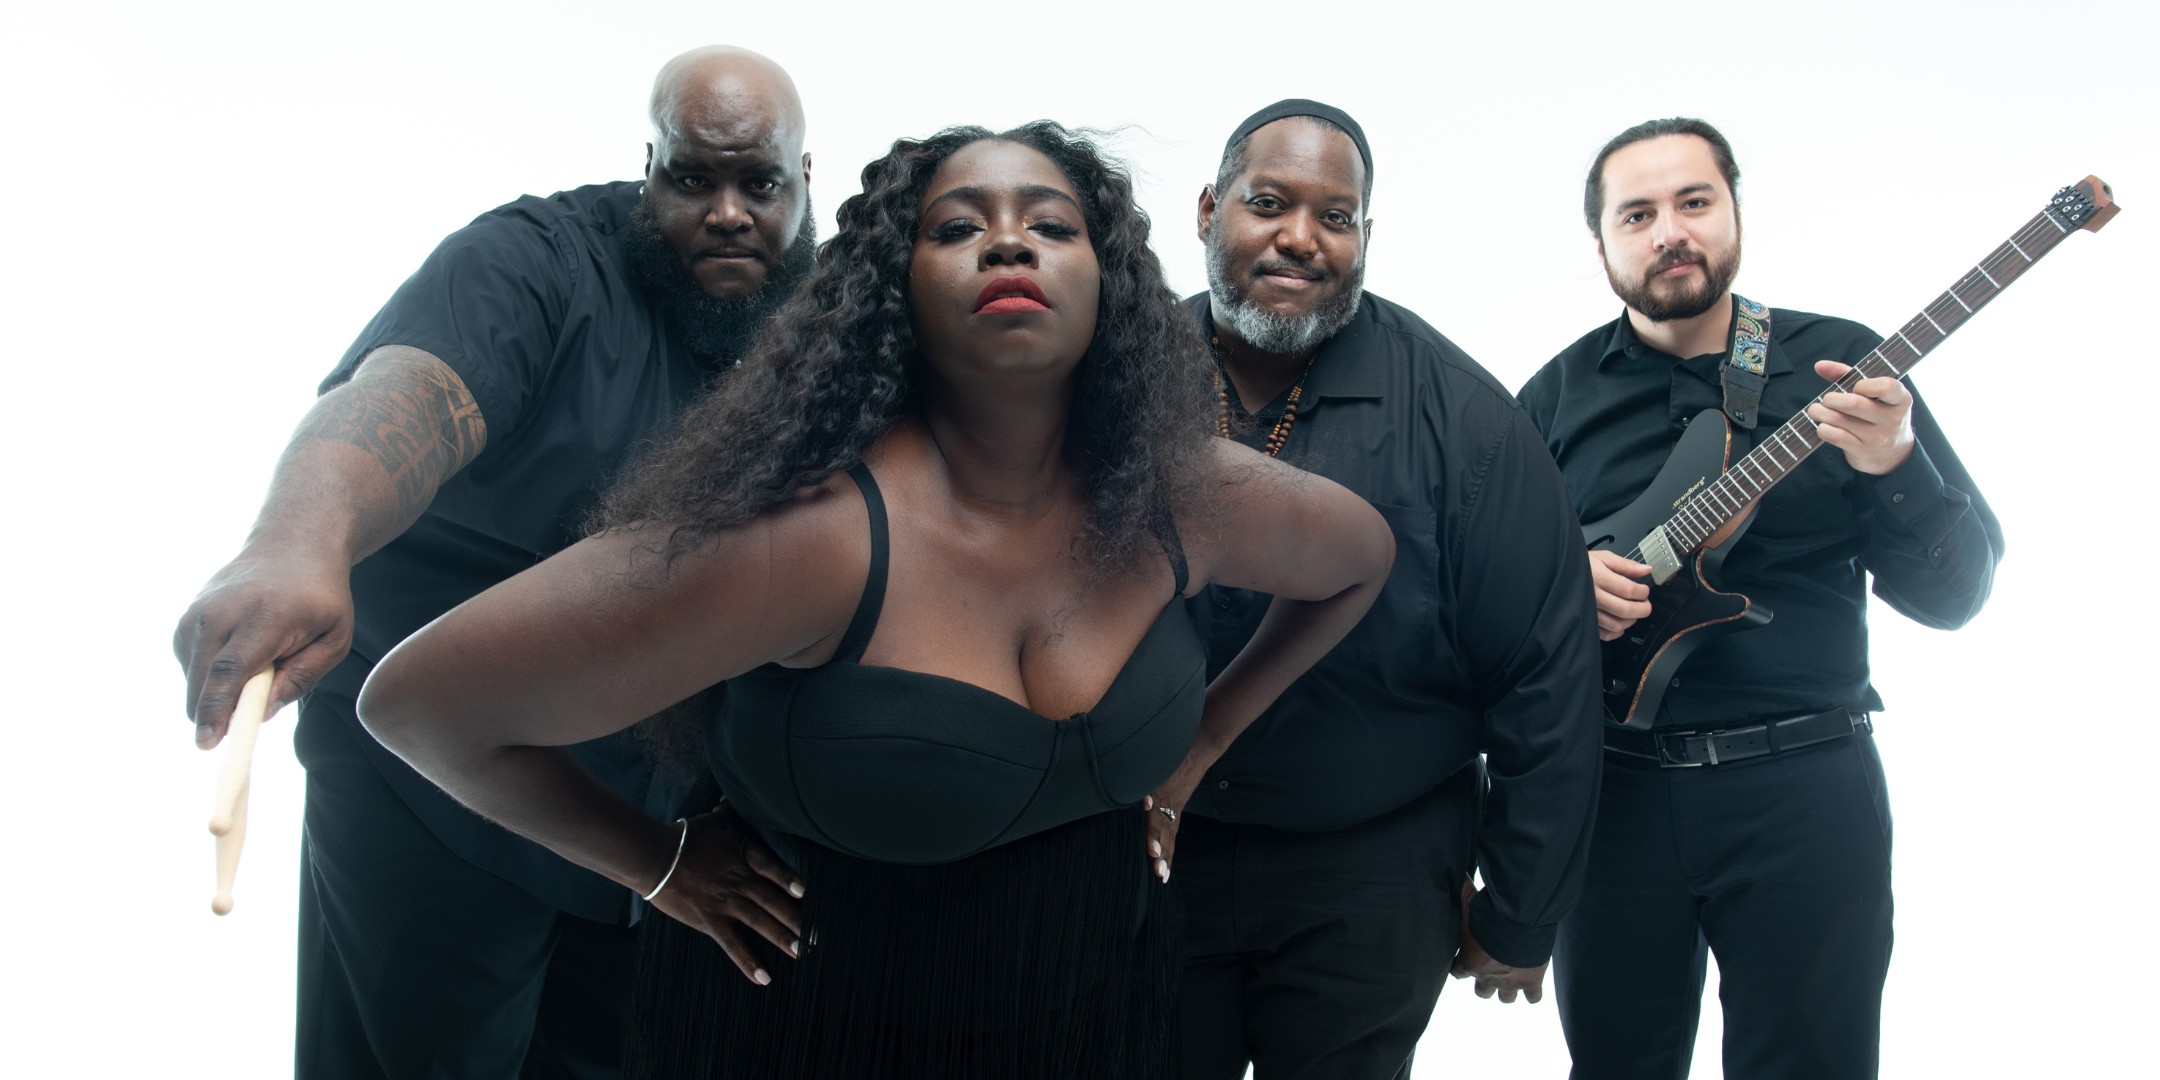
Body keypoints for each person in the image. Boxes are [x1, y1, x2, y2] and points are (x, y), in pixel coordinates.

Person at [354, 121, 1396, 1079]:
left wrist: (1199, 748)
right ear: (892, 289)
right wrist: (657, 864)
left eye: (1049, 224)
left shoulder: (1183, 496)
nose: (1007, 244)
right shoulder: (813, 543)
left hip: (1090, 1012)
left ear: (1109, 279)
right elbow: (419, 706)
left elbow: (1359, 558)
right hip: (812, 1030)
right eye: (957, 227)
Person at [171, 45, 816, 1078]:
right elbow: (408, 395)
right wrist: (296, 542)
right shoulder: (538, 262)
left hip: (652, 805)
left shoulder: (826, 320)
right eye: (692, 177)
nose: (728, 212)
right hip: (429, 788)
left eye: (760, 182)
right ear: (647, 164)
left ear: (804, 179)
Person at [1517, 117, 2003, 1079]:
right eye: (1639, 213)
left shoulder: (1848, 367)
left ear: (1734, 209)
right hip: (1613, 797)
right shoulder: (1550, 399)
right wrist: (1562, 589)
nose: (1670, 231)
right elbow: (1480, 613)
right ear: (1603, 242)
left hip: (1806, 789)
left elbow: (1956, 597)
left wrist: (1893, 462)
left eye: (1694, 201)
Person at [1158, 98, 1605, 1080]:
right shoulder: (1110, 381)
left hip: (1371, 872)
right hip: (1146, 857)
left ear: (1365, 235)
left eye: (1336, 216)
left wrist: (1522, 911)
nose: (1300, 239)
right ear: (1206, 209)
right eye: (1268, 202)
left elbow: (1549, 671)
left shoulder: (1464, 418)